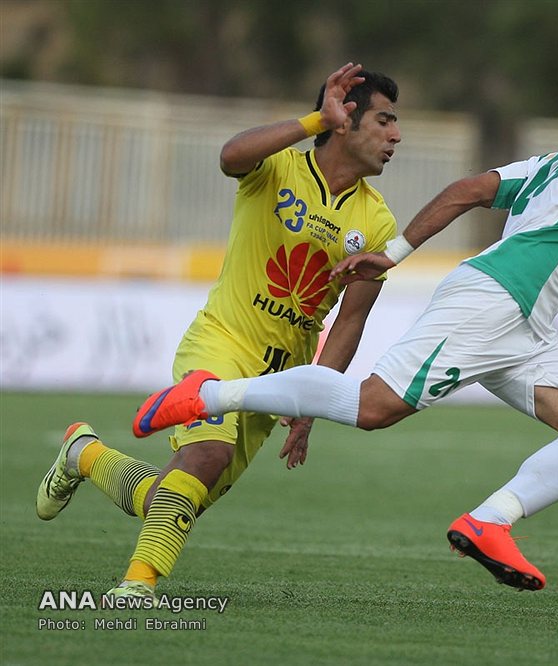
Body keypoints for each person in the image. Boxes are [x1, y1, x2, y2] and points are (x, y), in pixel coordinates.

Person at [132, 66, 558, 591]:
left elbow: (469, 190)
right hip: (495, 302)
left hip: (525, 323)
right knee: (373, 407)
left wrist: (393, 252)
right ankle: (209, 396)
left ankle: (489, 522)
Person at [36, 63, 402, 599]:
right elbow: (230, 156)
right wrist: (311, 121)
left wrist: (313, 401)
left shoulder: (378, 221)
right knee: (208, 454)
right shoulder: (278, 165)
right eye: (385, 120)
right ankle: (136, 587)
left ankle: (82, 454)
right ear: (345, 120)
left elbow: (351, 320)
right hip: (221, 342)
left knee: (174, 495)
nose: (396, 136)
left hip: (279, 377)